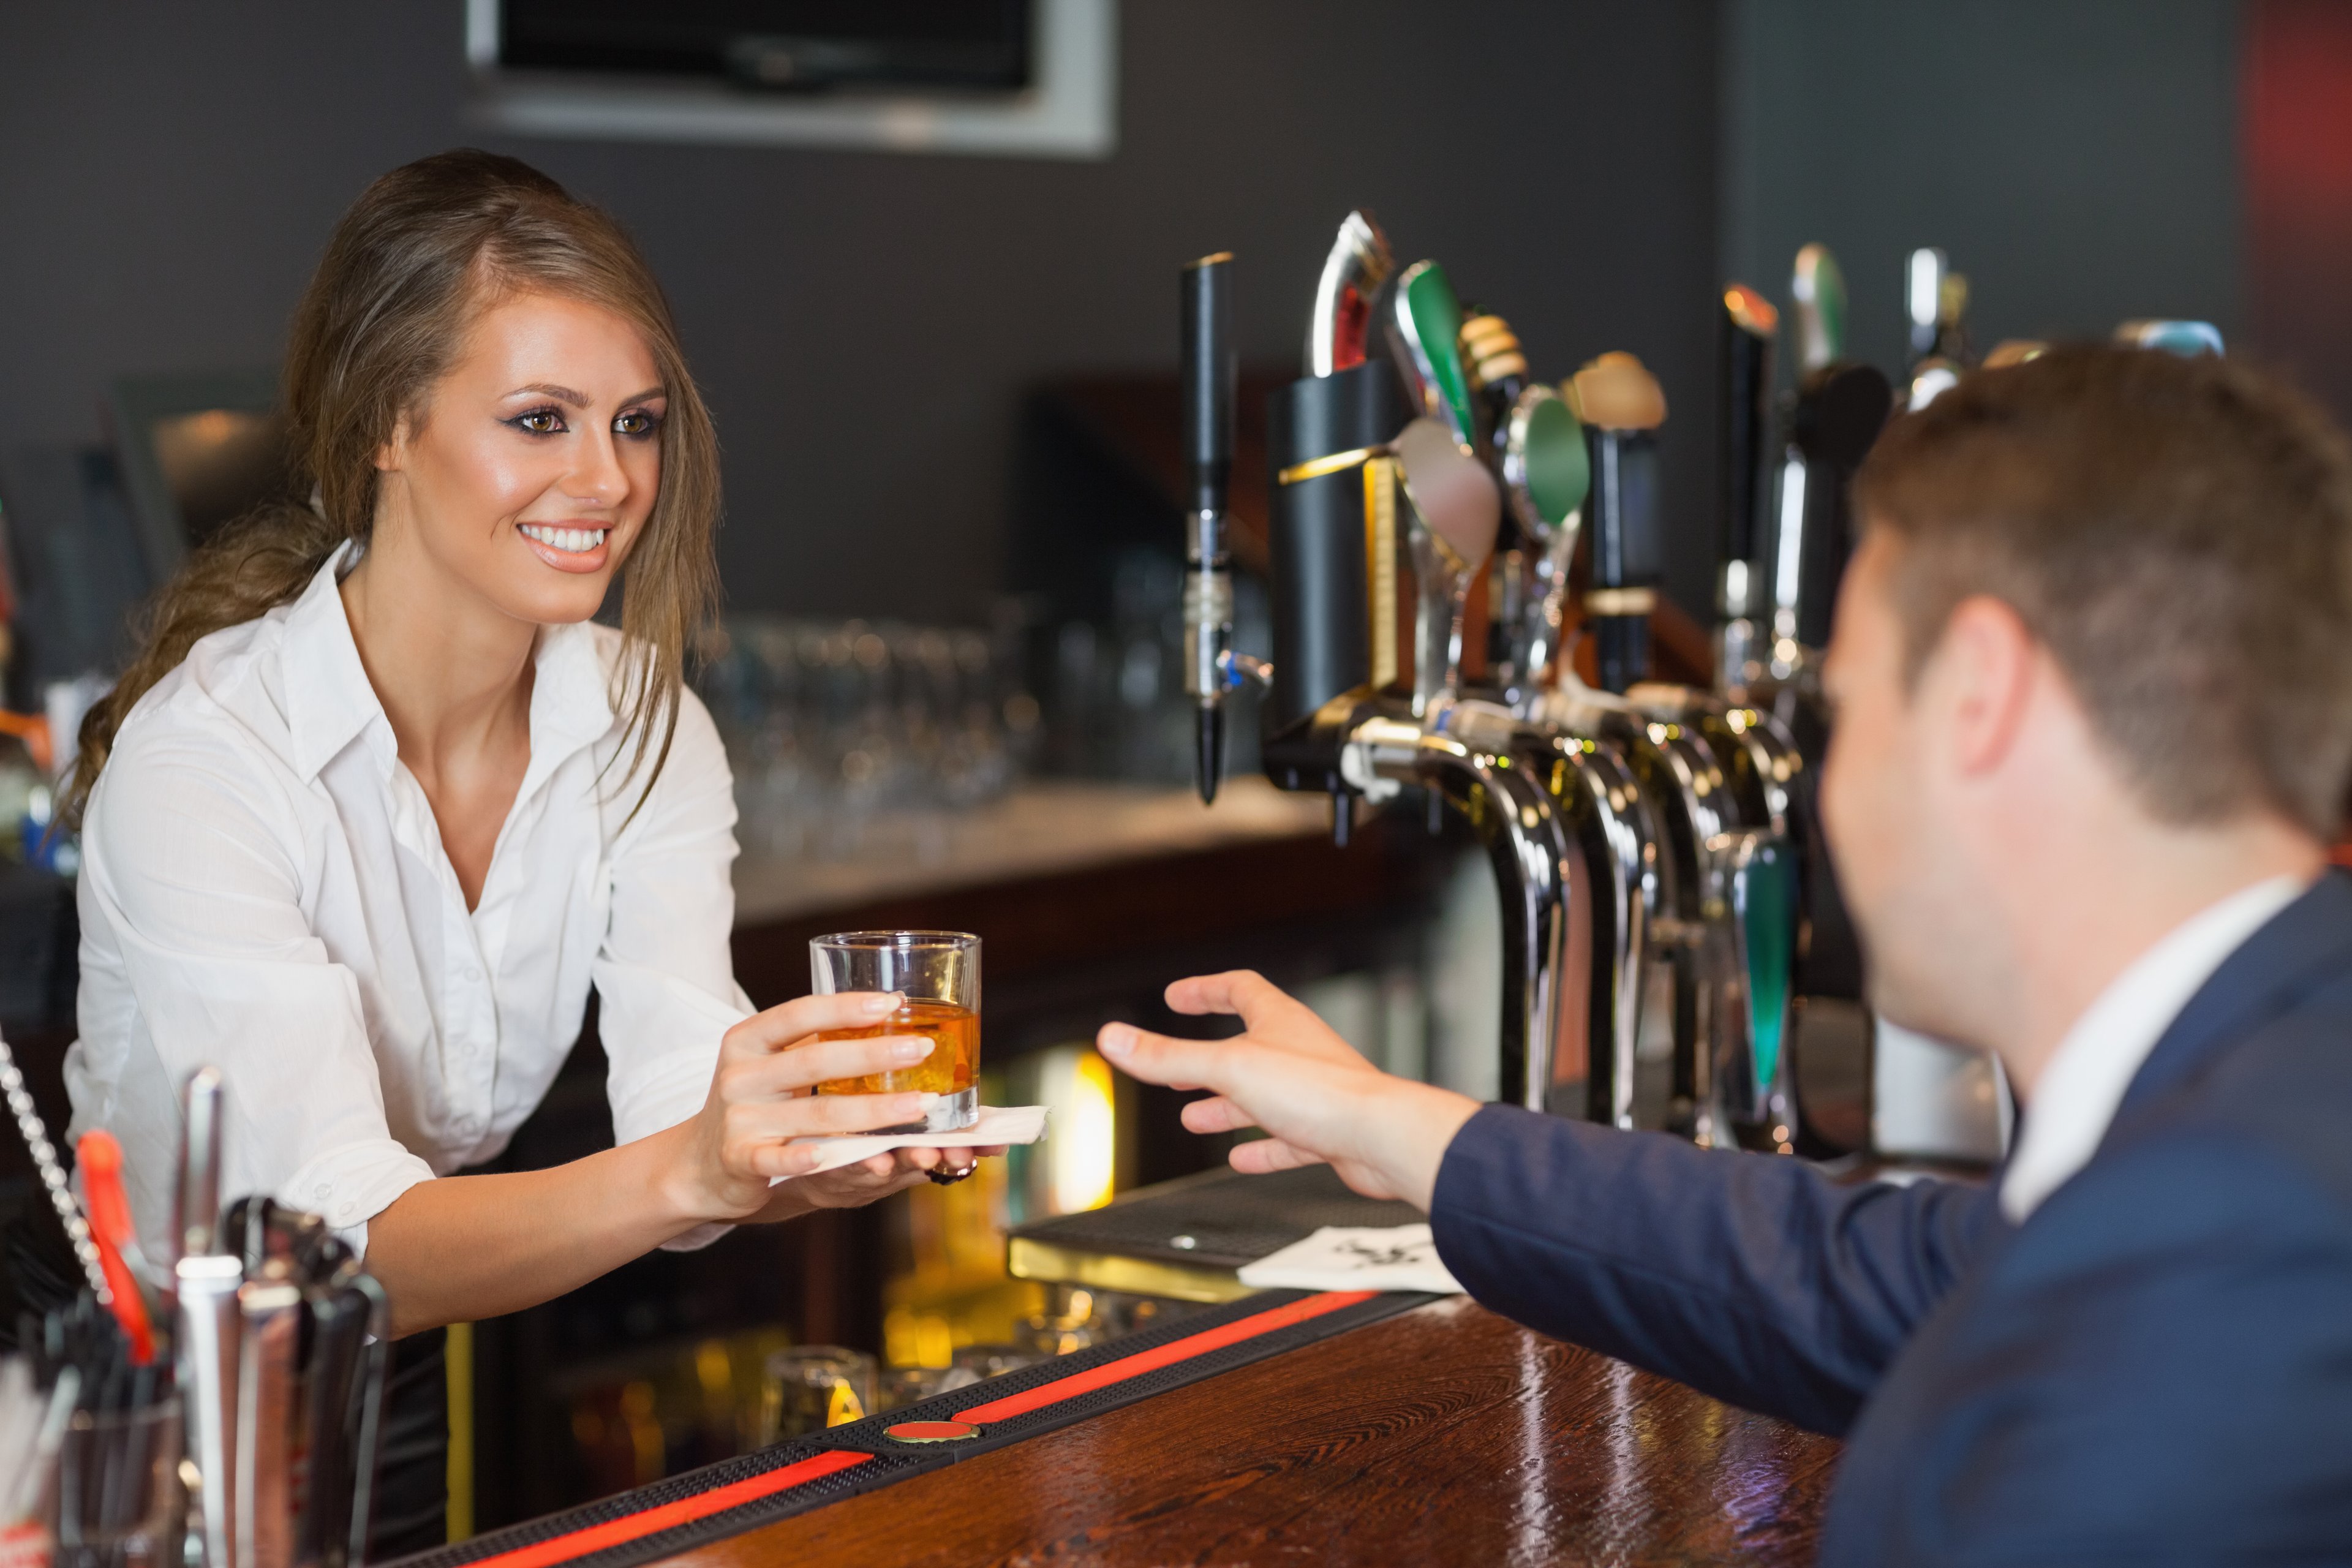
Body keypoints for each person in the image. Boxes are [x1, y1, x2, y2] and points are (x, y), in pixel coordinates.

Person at [1100, 345, 2352, 1563]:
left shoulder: (2225, 1244)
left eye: (1845, 709)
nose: (1818, 784)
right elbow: (1874, 1278)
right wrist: (1395, 1123)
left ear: (1981, 695)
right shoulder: (2259, 1090)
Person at [59, 150, 993, 1548]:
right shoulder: (206, 763)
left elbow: (683, 1099)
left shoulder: (639, 717)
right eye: (539, 419)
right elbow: (344, 1235)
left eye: (636, 422)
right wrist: (699, 1168)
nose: (605, 479)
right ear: (388, 420)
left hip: (402, 1342)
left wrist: (811, 1149)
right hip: (152, 1393)